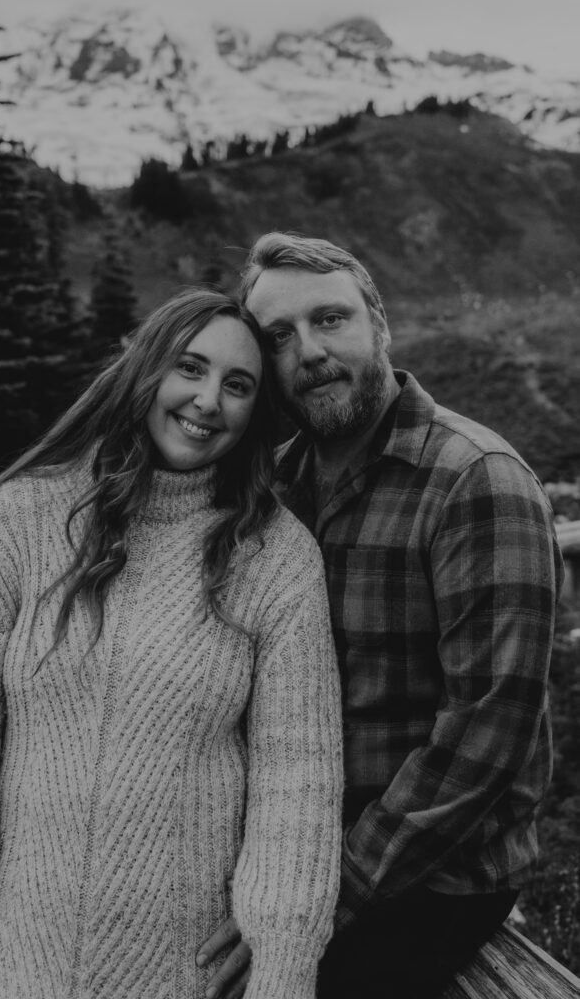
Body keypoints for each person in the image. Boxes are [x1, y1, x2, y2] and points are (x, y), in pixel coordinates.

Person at [0, 288, 343, 999]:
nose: (208, 400)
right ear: (143, 370)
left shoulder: (274, 557)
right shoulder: (17, 521)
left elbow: (296, 788)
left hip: (185, 977)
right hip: (19, 961)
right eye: (189, 368)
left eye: (237, 386)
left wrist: (283, 971)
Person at [196, 234, 564, 999]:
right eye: (279, 337)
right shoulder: (282, 479)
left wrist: (329, 888)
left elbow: (486, 734)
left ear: (378, 325)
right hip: (300, 842)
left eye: (329, 319)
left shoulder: (475, 479)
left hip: (431, 875)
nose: (310, 351)